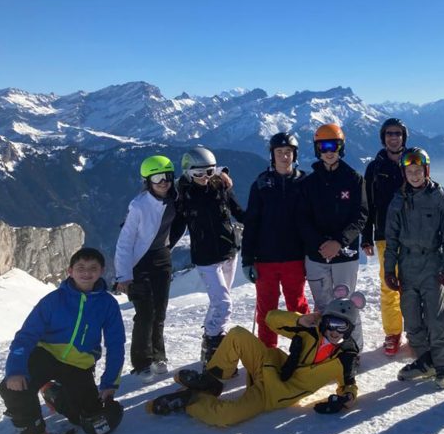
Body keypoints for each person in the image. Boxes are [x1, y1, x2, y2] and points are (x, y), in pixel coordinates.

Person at [146, 285, 365, 426]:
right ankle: (211, 381)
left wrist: (345, 400)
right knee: (238, 334)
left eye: (342, 326)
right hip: (268, 363)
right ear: (324, 320)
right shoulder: (310, 329)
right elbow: (271, 319)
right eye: (331, 323)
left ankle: (191, 401)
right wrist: (298, 320)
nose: (335, 330)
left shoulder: (345, 357)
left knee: (225, 416)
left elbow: (349, 386)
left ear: (350, 329)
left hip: (271, 393)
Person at [0, 248, 125, 434]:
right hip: (45, 354)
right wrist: (16, 370)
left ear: (102, 271)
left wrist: (109, 382)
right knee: (13, 386)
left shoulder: (107, 304)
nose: (87, 273)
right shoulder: (53, 300)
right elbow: (26, 336)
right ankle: (35, 432)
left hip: (79, 364)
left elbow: (116, 344)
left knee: (92, 422)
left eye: (93, 268)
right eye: (80, 268)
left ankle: (54, 394)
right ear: (70, 271)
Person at [384, 147, 444, 390]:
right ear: (404, 172)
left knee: (436, 318)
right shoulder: (399, 199)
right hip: (407, 264)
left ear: (426, 171)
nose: (414, 175)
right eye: (410, 171)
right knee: (412, 316)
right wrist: (389, 270)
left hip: (432, 264)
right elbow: (391, 237)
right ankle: (426, 359)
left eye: (419, 170)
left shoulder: (438, 197)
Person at [173, 147, 245, 366]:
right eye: (199, 174)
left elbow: (238, 211)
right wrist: (161, 248)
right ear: (187, 172)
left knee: (218, 303)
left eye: (210, 172)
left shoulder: (221, 185)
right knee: (223, 303)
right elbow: (176, 226)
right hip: (205, 258)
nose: (205, 178)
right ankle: (214, 346)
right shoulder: (182, 194)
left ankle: (211, 346)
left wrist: (260, 227)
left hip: (228, 253)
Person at [298, 123, 368, 350]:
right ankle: (324, 350)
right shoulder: (308, 183)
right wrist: (321, 244)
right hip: (316, 255)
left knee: (346, 305)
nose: (329, 151)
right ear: (318, 149)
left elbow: (361, 215)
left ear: (341, 147)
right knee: (322, 305)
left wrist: (338, 242)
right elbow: (302, 219)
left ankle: (351, 350)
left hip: (345, 255)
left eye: (334, 146)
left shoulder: (353, 179)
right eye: (323, 146)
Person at [114, 155, 180, 382]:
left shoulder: (175, 197)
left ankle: (158, 356)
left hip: (162, 258)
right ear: (147, 181)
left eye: (168, 177)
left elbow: (198, 179)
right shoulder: (139, 205)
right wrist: (123, 275)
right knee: (145, 313)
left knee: (159, 311)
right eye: (157, 178)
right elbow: (125, 241)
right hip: (139, 262)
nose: (164, 182)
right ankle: (142, 362)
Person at [241, 132, 309, 347]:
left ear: (295, 154)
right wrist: (247, 258)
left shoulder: (304, 182)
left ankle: (304, 347)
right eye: (279, 152)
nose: (284, 156)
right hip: (266, 258)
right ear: (272, 155)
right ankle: (267, 352)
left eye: (288, 152)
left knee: (296, 307)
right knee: (267, 310)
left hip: (295, 257)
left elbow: (312, 219)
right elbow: (251, 222)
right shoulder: (261, 184)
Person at [362, 118, 408, 356]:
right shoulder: (374, 168)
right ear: (383, 137)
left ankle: (416, 331)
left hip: (413, 235)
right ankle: (392, 332)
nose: (394, 137)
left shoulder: (413, 161)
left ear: (403, 137)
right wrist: (366, 236)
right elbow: (367, 204)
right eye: (389, 133)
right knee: (389, 285)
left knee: (413, 285)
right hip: (383, 235)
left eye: (398, 134)